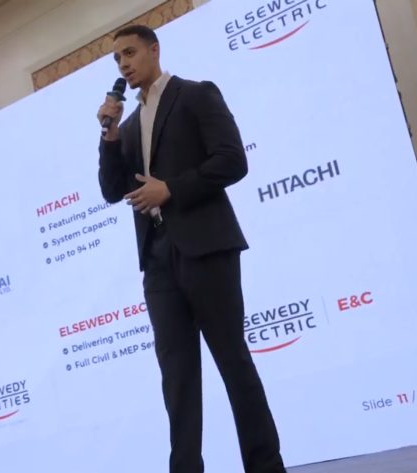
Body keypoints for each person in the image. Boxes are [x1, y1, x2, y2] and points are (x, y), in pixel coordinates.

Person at [96, 24, 287, 473]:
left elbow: (232, 160)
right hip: (157, 260)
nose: (124, 64)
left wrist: (171, 189)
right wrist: (108, 137)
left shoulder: (196, 95)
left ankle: (265, 466)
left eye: (130, 52)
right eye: (118, 58)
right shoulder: (127, 126)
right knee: (177, 379)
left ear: (154, 50)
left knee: (233, 363)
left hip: (206, 248)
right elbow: (111, 190)